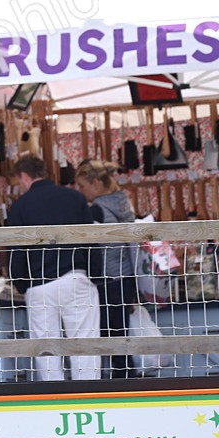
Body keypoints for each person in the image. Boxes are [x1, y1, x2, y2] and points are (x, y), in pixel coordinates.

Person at [5, 154, 101, 381]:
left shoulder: (20, 206)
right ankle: (89, 397)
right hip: (74, 278)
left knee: (46, 351)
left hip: (39, 287)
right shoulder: (75, 198)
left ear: (24, 176)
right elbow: (91, 239)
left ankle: (53, 399)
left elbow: (16, 250)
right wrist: (95, 275)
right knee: (84, 346)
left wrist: (21, 283)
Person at [74, 159, 138, 379]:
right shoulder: (124, 203)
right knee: (121, 334)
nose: (80, 192)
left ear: (95, 183)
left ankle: (107, 384)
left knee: (104, 337)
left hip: (106, 279)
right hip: (126, 276)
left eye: (82, 186)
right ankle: (127, 379)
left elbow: (90, 246)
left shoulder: (97, 210)